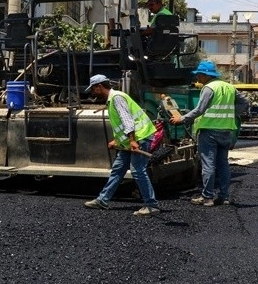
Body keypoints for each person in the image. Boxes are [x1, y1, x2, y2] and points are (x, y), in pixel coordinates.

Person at [170, 61, 248, 206]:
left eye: (199, 75)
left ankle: (207, 197)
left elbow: (199, 110)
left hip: (209, 131)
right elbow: (245, 103)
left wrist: (181, 119)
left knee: (208, 165)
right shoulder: (230, 87)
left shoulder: (209, 88)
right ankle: (224, 197)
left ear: (206, 75)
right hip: (226, 131)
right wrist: (231, 113)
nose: (197, 78)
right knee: (223, 165)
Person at [83, 74, 162, 217]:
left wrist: (132, 141)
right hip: (130, 140)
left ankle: (152, 205)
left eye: (93, 89)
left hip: (140, 138)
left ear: (100, 86)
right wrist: (117, 141)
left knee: (138, 170)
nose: (92, 92)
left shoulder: (117, 98)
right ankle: (103, 200)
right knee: (118, 169)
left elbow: (127, 121)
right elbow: (121, 126)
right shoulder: (113, 99)